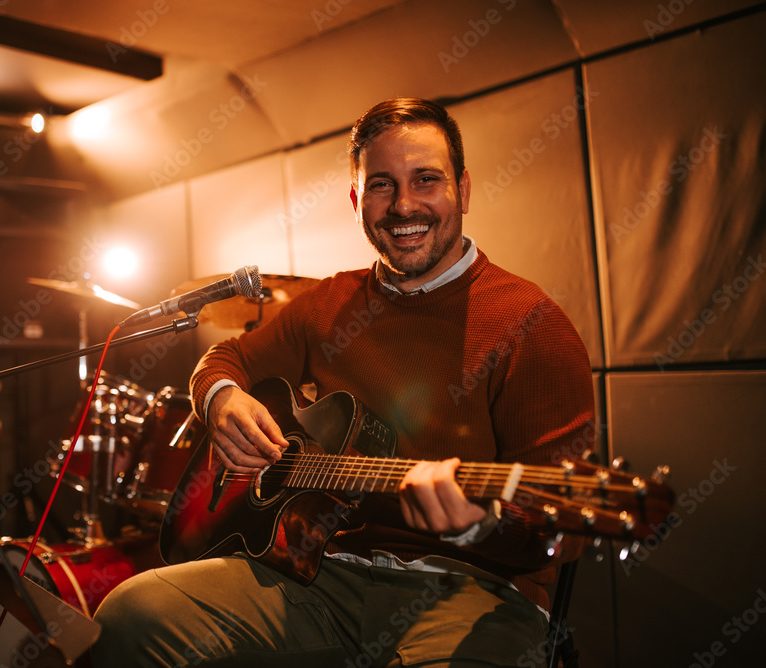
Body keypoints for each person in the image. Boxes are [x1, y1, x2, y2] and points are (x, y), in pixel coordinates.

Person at [92, 97, 594, 667]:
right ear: (356, 200)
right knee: (130, 613)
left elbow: (563, 528)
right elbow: (225, 358)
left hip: (474, 590)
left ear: (464, 189)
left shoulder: (535, 325)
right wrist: (222, 399)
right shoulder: (328, 302)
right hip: (318, 574)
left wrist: (476, 525)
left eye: (425, 180)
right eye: (381, 185)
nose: (404, 204)